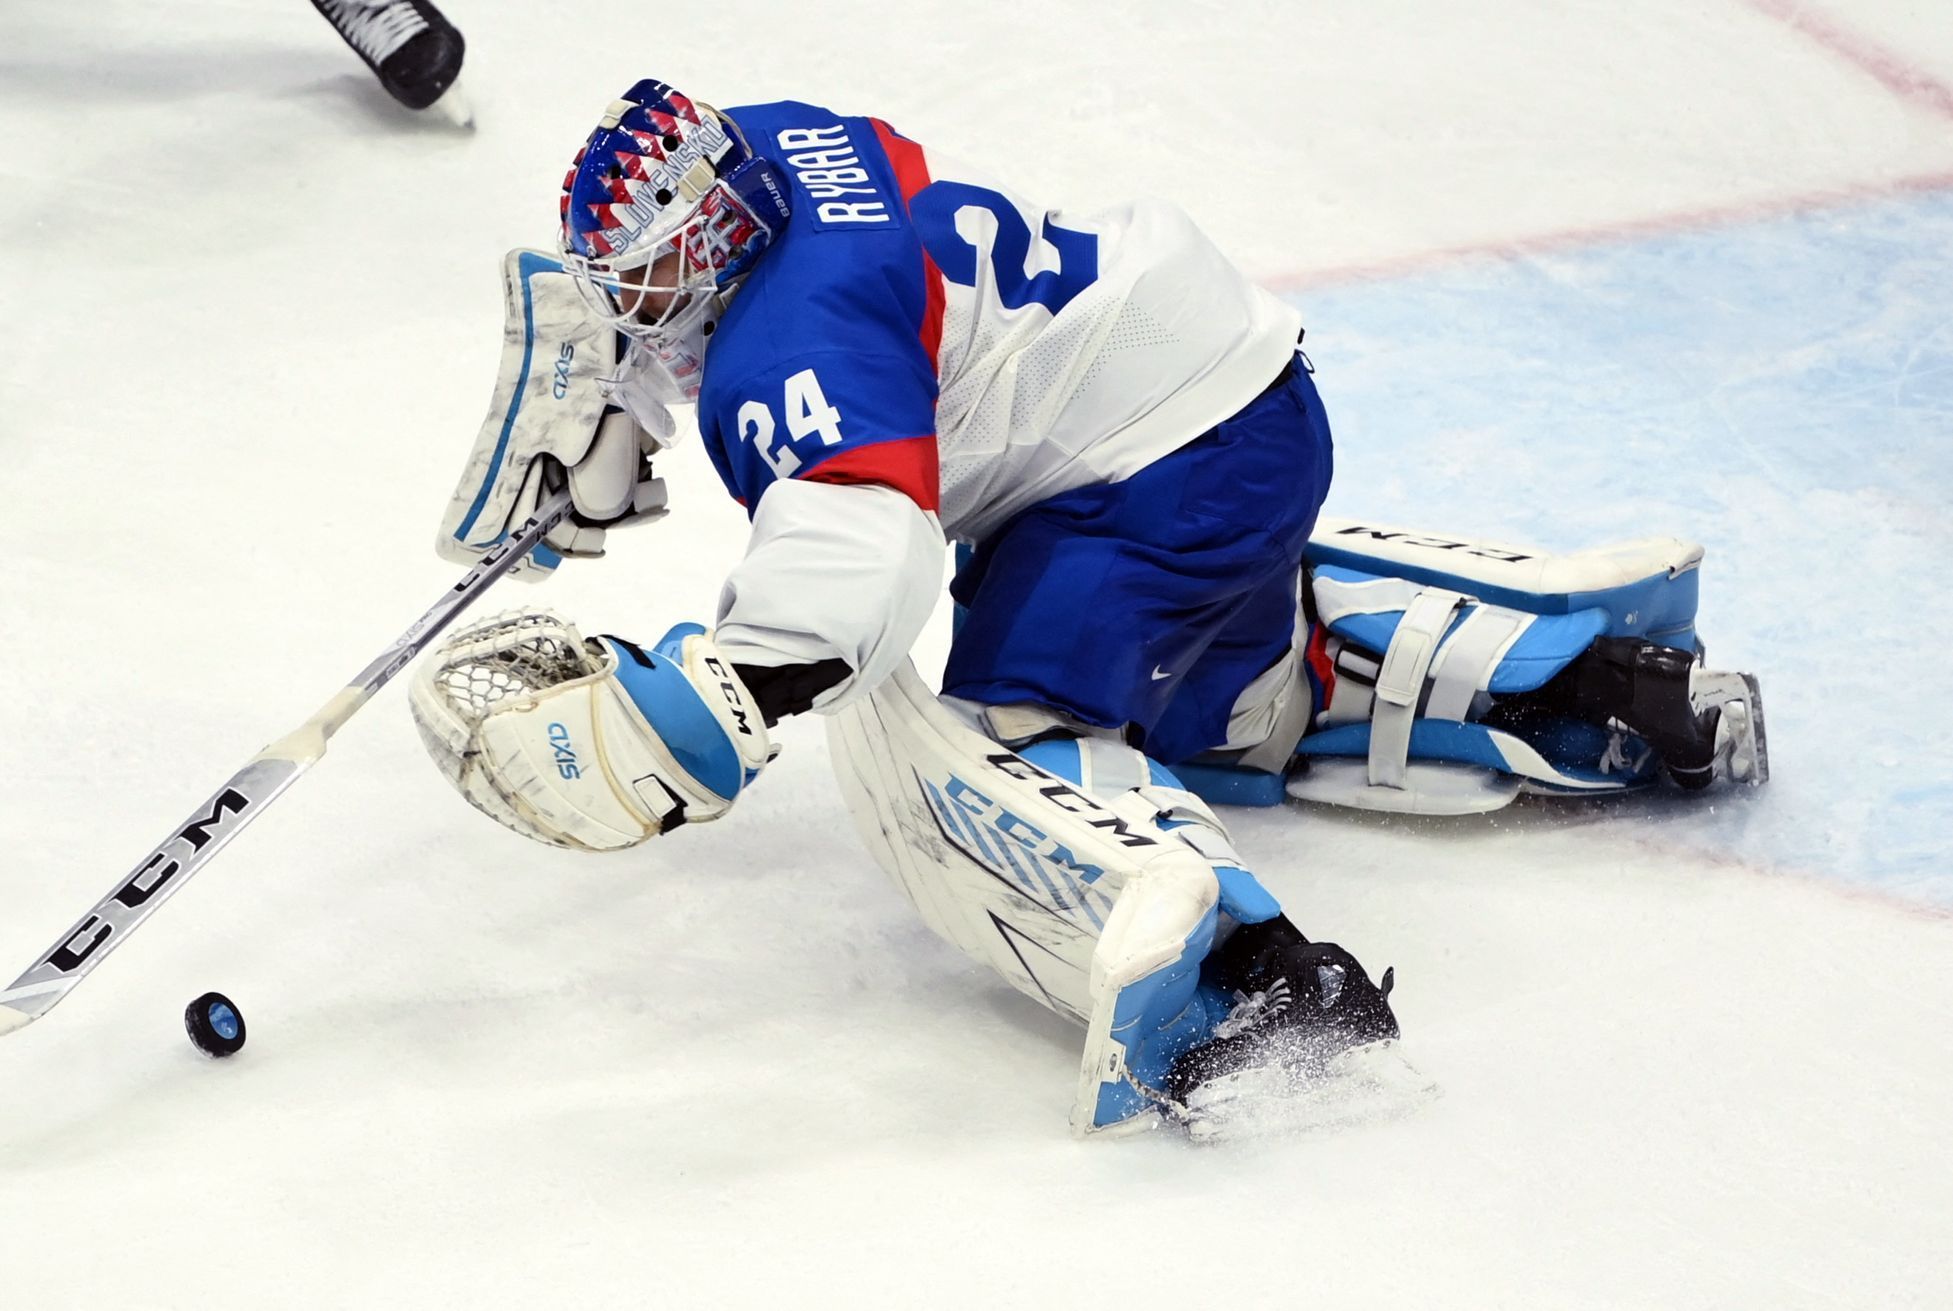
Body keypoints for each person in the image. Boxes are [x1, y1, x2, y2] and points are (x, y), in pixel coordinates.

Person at [413, 80, 1766, 1136]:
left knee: (1020, 731)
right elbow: (800, 293)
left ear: (711, 232)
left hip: (1146, 479)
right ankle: (1597, 686)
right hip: (1237, 408)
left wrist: (721, 699)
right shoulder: (783, 148)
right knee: (1226, 704)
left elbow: (861, 550)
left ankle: (1273, 997)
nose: (628, 296)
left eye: (644, 269)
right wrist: (623, 406)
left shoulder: (789, 345)